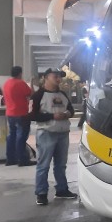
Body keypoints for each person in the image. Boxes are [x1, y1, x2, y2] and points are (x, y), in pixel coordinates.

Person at [30, 68, 77, 205]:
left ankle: (62, 190)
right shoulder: (38, 95)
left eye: (59, 76)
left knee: (61, 165)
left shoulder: (62, 94)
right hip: (46, 134)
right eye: (55, 76)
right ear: (45, 77)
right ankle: (41, 193)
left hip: (63, 134)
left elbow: (71, 109)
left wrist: (67, 114)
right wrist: (52, 116)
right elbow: (32, 115)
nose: (58, 79)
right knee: (43, 165)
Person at [3, 66, 35, 166]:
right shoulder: (20, 83)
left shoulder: (6, 83)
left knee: (12, 136)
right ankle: (22, 159)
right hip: (21, 113)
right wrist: (32, 82)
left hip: (10, 114)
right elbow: (31, 94)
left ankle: (10, 159)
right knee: (21, 136)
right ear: (20, 73)